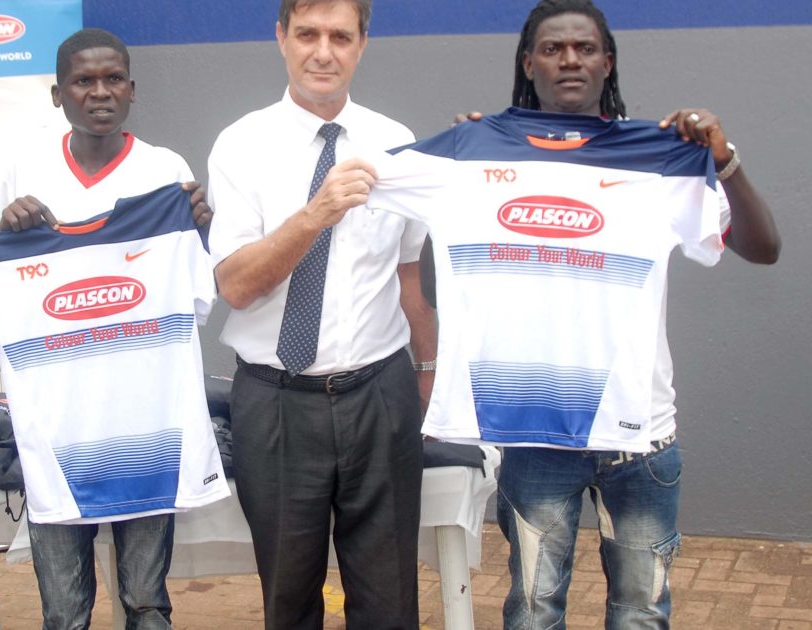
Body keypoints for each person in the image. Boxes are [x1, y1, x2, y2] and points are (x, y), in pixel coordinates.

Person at [369, 1, 780, 627]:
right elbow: (422, 271)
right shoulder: (469, 153)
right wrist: (451, 201)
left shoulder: (662, 156)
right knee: (534, 612)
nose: (569, 60)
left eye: (584, 48)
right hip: (533, 434)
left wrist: (724, 161)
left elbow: (764, 248)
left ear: (606, 62)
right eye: (553, 48)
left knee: (641, 613)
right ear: (528, 62)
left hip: (641, 434)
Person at [0, 28, 225, 630]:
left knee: (147, 604)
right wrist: (3, 228)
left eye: (112, 79)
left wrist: (200, 230)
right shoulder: (23, 171)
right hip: (56, 431)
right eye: (83, 81)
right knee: (64, 613)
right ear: (59, 95)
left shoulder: (165, 172)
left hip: (147, 422)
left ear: (132, 89)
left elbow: (200, 292)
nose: (99, 92)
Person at [205, 1, 437, 627]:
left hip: (380, 395)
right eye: (307, 34)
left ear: (363, 43)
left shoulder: (397, 144)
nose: (323, 52)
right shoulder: (240, 145)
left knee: (390, 603)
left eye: (341, 36)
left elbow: (408, 277)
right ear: (281, 37)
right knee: (289, 600)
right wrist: (315, 213)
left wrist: (428, 373)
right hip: (276, 402)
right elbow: (235, 286)